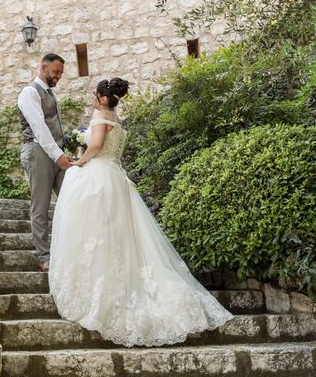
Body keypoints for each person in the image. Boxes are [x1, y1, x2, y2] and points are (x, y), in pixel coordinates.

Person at [48, 77, 233, 346]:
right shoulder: (117, 117)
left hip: (99, 179)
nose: (92, 98)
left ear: (102, 98)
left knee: (97, 234)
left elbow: (97, 144)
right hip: (115, 177)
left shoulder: (100, 115)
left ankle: (103, 296)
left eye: (94, 94)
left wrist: (79, 161)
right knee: (119, 237)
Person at [18, 53, 72, 273]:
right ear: (43, 68)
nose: (58, 76)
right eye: (55, 72)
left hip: (55, 152)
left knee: (71, 198)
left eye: (60, 73)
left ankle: (69, 250)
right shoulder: (29, 92)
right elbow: (39, 127)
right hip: (38, 151)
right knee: (40, 207)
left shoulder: (49, 93)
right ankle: (44, 257)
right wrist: (57, 155)